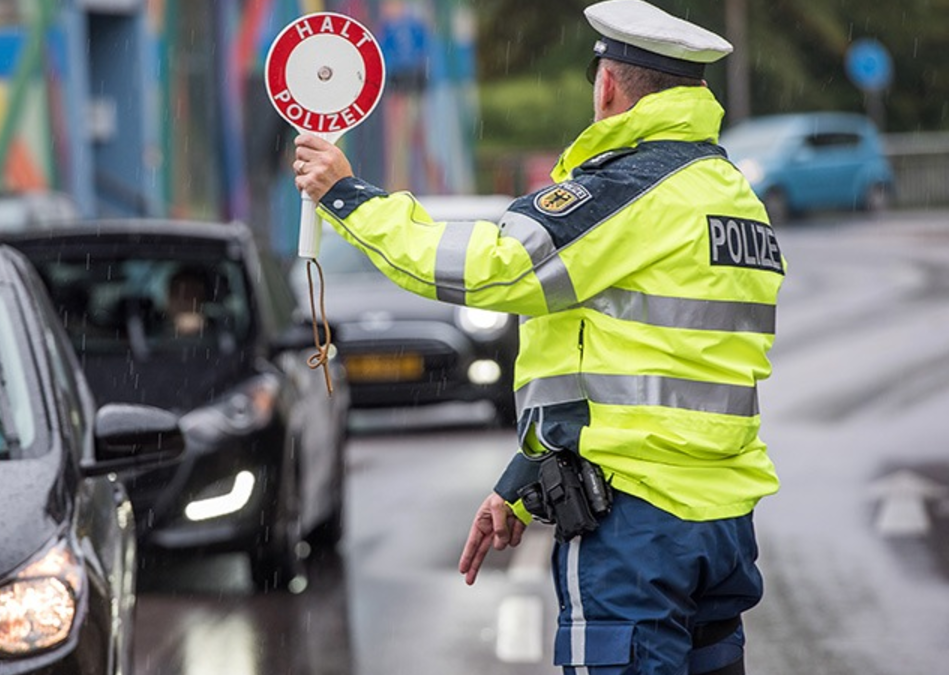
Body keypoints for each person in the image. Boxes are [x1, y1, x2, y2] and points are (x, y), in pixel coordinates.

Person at [291, 1, 783, 673]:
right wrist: (523, 480)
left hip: (637, 521)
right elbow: (631, 362)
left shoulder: (629, 191)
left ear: (607, 85)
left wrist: (347, 197)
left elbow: (491, 266)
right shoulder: (733, 196)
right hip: (721, 524)